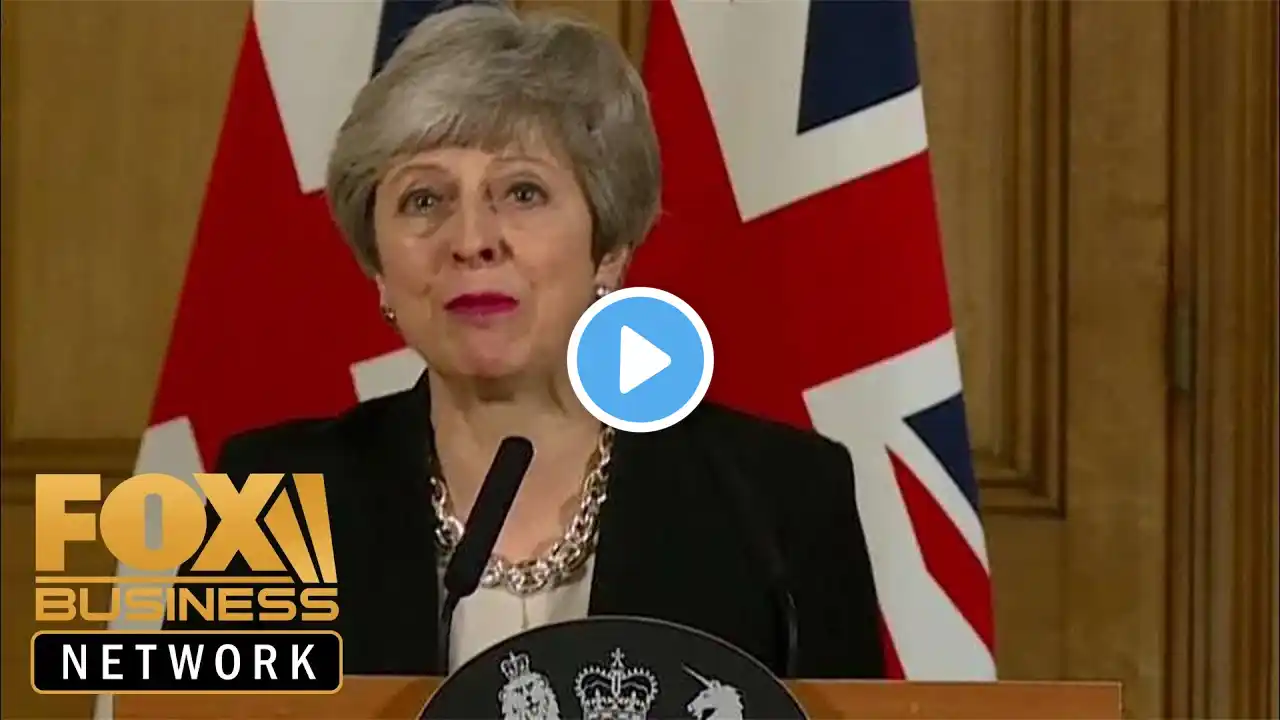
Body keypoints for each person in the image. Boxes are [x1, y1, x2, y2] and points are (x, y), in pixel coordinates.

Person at [169, 3, 884, 680]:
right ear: (379, 267)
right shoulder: (268, 498)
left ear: (607, 249)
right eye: (424, 200)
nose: (472, 240)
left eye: (522, 193)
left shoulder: (779, 504)